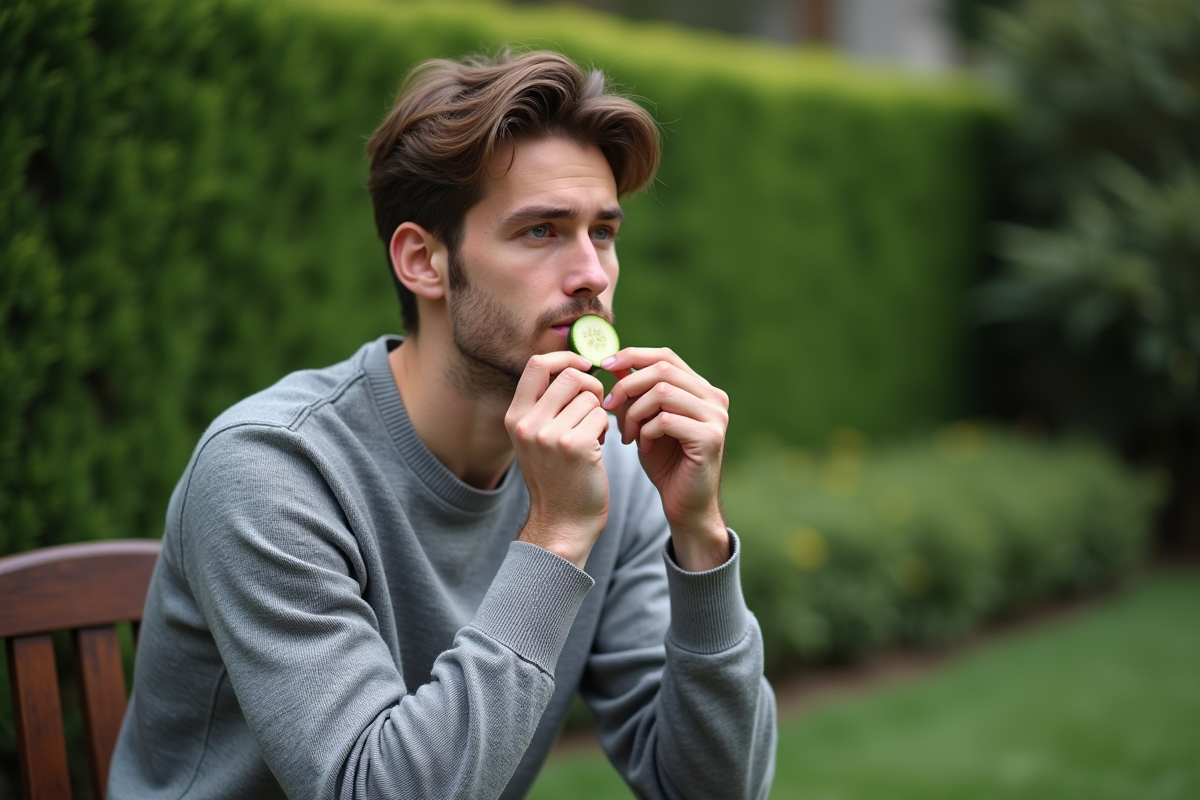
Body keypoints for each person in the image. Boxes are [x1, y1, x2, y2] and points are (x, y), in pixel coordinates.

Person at [109, 49, 777, 800]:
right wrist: (554, 537)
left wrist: (700, 540)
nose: (592, 272)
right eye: (541, 232)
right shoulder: (270, 471)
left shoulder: (610, 468)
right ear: (423, 261)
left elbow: (714, 790)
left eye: (604, 232)